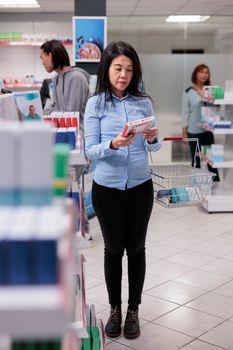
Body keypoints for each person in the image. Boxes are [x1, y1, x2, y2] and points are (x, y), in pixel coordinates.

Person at [84, 41, 161, 339]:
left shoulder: (143, 101)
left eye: (129, 69)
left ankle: (133, 311)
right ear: (106, 70)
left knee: (137, 249)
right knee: (113, 250)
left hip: (141, 187)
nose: (123, 75)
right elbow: (90, 149)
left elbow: (154, 146)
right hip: (107, 190)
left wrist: (153, 137)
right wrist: (113, 144)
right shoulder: (95, 104)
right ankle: (114, 309)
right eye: (118, 68)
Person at [182, 64, 220, 181]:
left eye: (206, 72)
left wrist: (212, 98)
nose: (204, 75)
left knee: (212, 160)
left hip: (208, 130)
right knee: (195, 160)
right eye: (201, 72)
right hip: (194, 131)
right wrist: (184, 133)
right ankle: (196, 187)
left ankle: (216, 185)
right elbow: (185, 113)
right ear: (196, 74)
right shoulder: (188, 92)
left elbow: (216, 107)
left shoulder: (211, 90)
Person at [40, 39, 90, 128]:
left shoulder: (77, 77)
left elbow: (72, 113)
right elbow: (55, 107)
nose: (42, 62)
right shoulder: (55, 79)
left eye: (42, 57)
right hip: (63, 129)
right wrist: (38, 113)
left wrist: (50, 113)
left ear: (50, 55)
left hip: (79, 133)